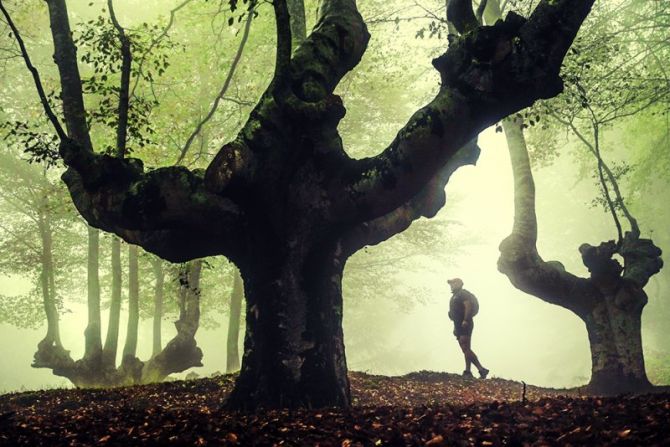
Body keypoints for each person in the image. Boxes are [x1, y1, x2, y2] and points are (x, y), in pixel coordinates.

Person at [447, 278, 489, 379]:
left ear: (460, 284)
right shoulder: (454, 296)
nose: (451, 285)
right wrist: (455, 327)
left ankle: (481, 369)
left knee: (465, 347)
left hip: (465, 323)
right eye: (451, 284)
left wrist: (466, 320)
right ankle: (468, 371)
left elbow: (468, 306)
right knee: (466, 349)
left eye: (453, 283)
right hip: (458, 325)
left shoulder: (463, 294)